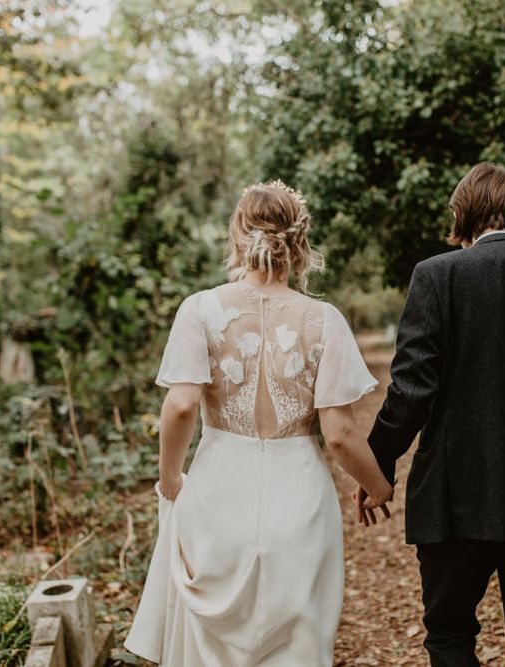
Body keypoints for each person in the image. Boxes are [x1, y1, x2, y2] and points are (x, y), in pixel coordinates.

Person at [124, 180, 393, 666]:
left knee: (214, 650)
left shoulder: (200, 310)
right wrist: (378, 486)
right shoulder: (325, 319)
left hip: (218, 490)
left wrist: (169, 480)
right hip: (300, 496)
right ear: (299, 242)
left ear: (237, 235)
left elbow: (181, 407)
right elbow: (340, 433)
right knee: (297, 641)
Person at [360, 162, 505, 666]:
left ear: (462, 213)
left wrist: (377, 461)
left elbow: (412, 391)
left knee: (448, 635)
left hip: (454, 495)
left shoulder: (436, 275)